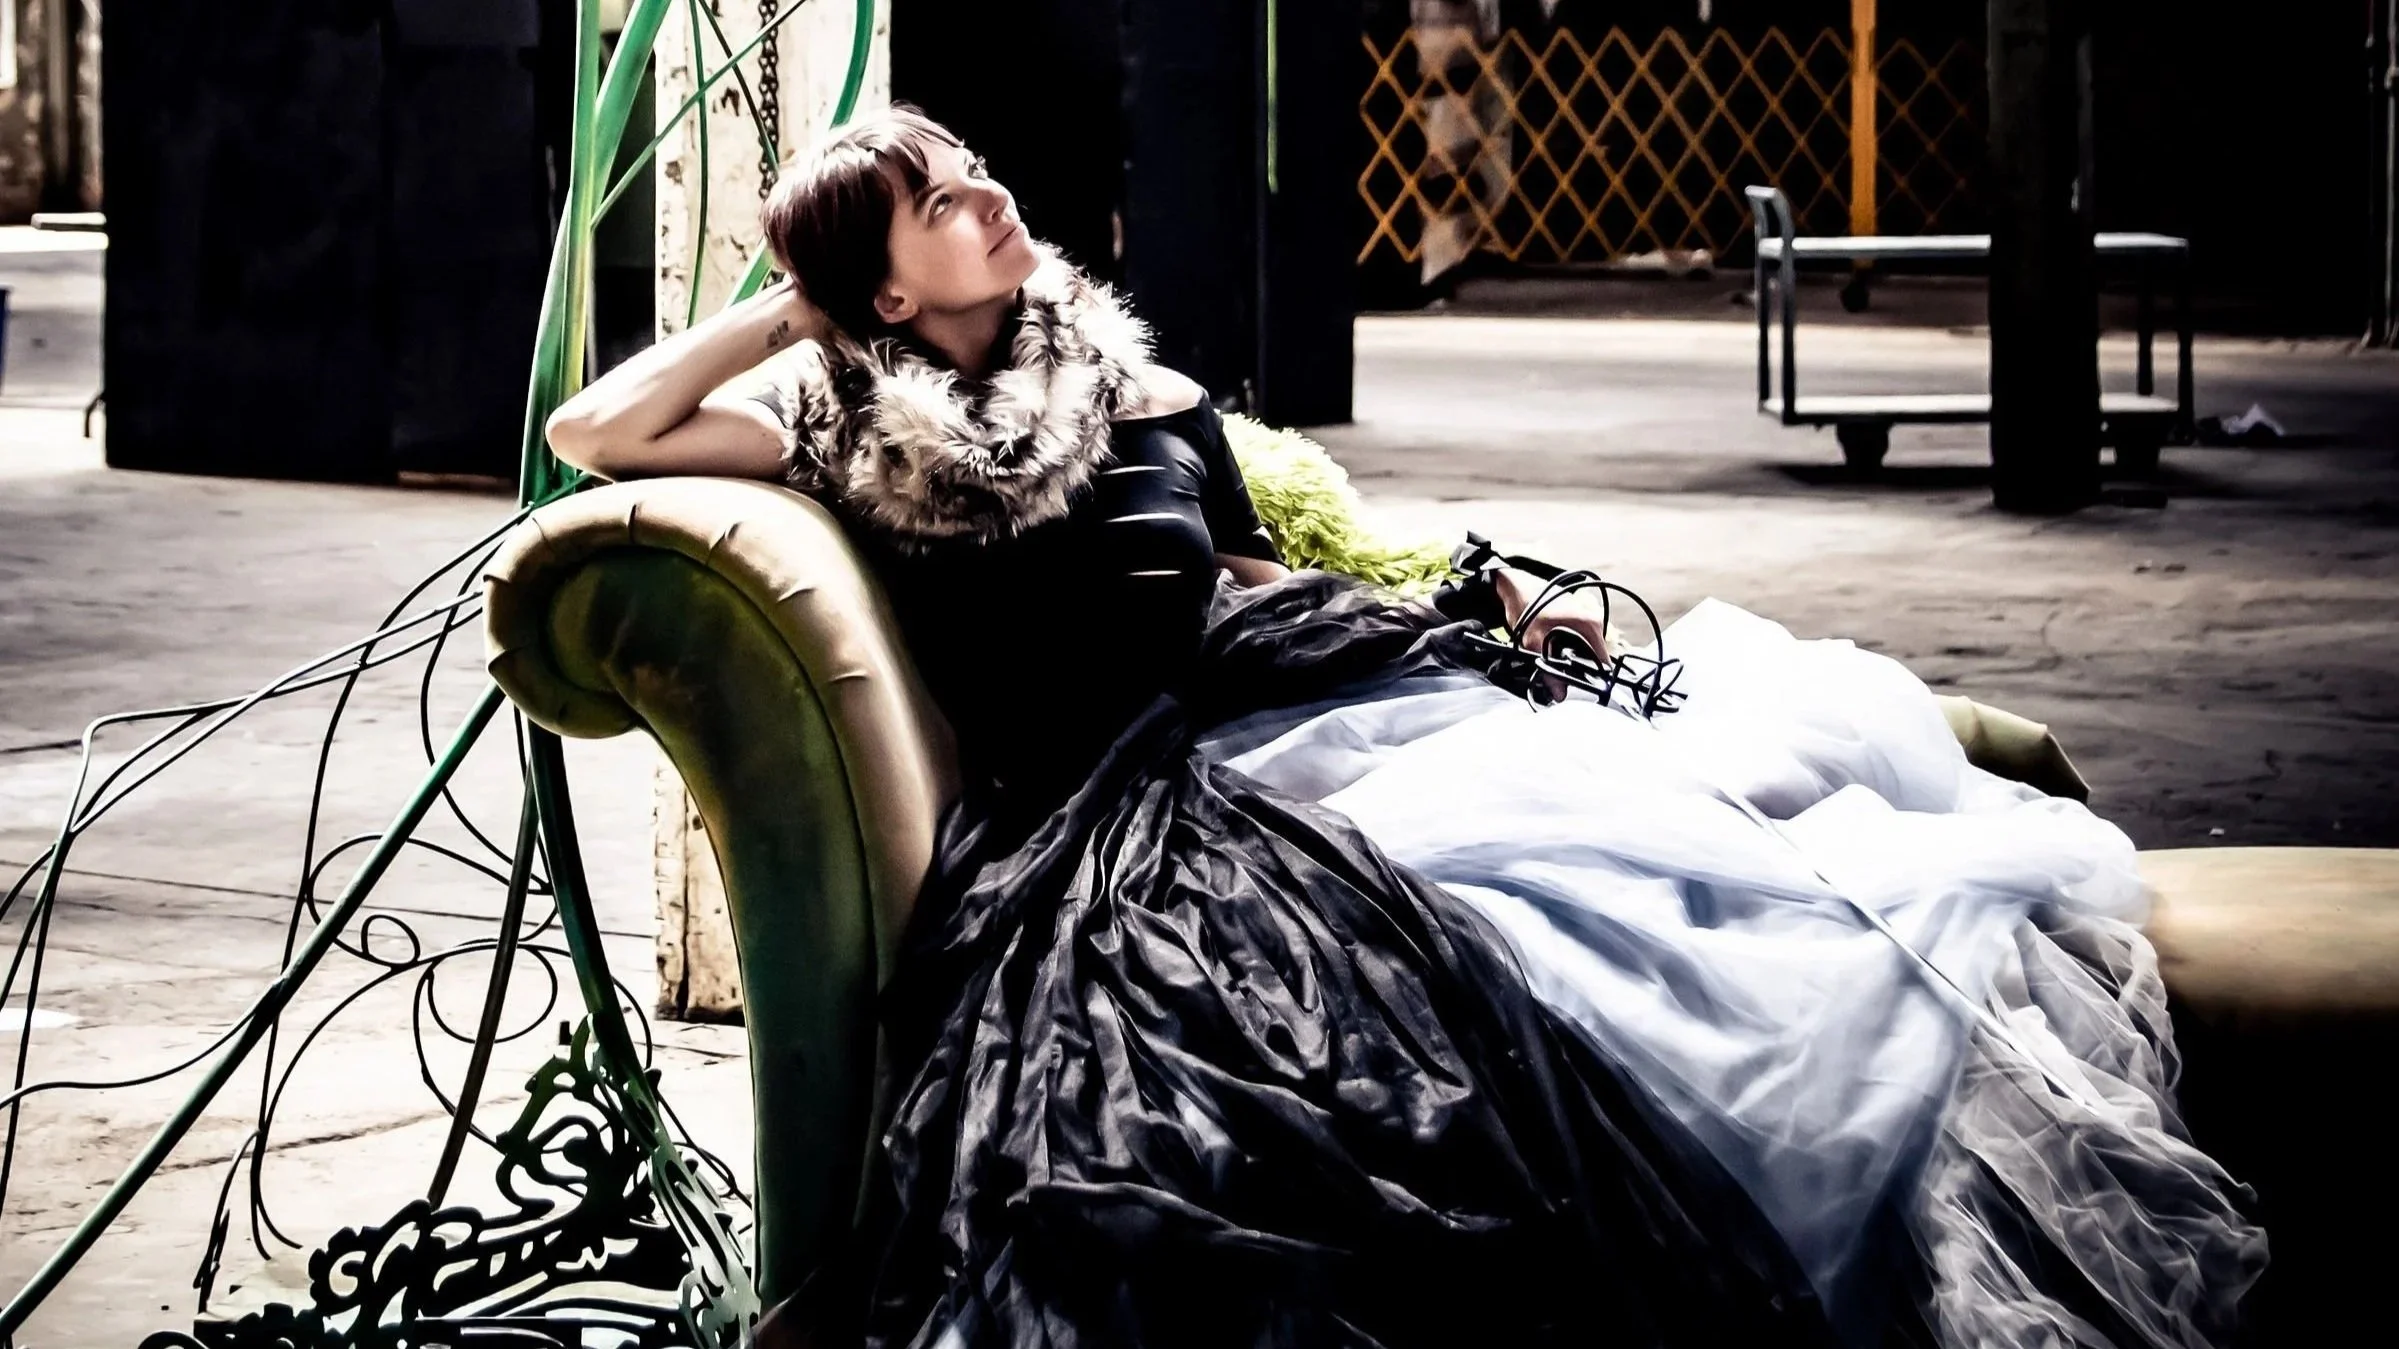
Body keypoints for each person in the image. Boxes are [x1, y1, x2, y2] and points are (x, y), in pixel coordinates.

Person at [546, 107, 2264, 1349]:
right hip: (1149, 780)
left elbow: (1252, 559)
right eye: (933, 199)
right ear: (884, 293)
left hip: (1304, 688)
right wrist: (790, 307)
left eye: (972, 166)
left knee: (1736, 853)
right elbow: (596, 431)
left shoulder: (1123, 375)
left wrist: (1474, 600)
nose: (986, 193)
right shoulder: (863, 428)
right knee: (1409, 1015)